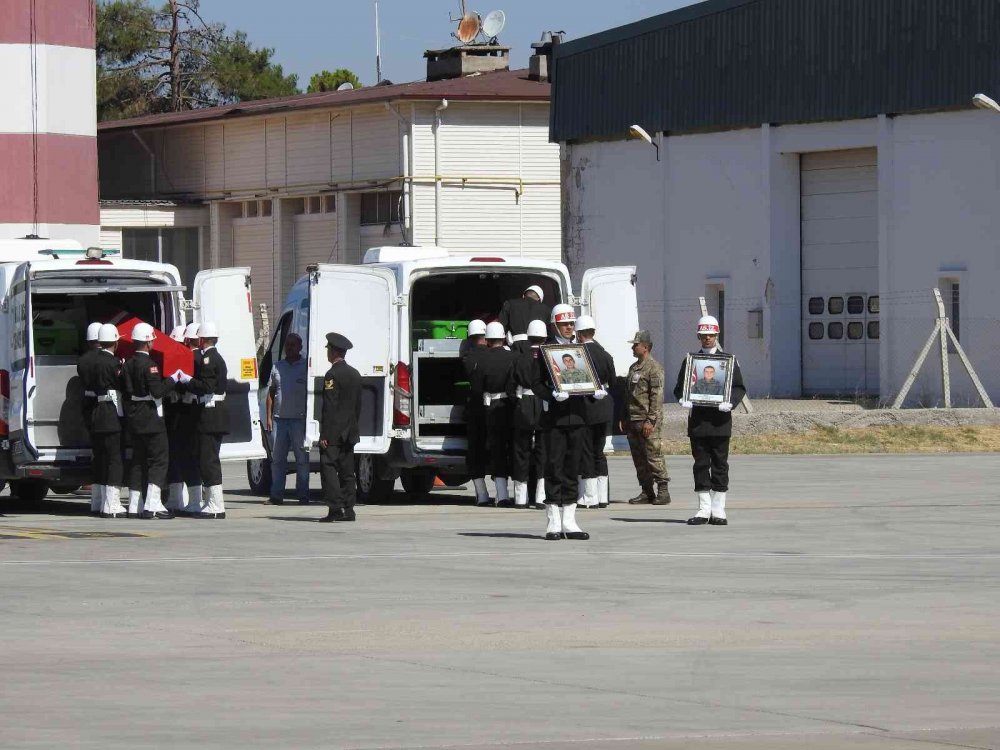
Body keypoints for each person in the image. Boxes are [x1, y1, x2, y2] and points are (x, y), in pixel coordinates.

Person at [674, 315, 746, 526]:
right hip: (698, 422)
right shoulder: (690, 361)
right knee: (700, 464)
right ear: (698, 336)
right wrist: (683, 399)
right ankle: (704, 509)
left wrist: (730, 403)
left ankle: (718, 509)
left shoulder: (728, 361)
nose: (707, 338)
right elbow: (679, 387)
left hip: (720, 422)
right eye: (704, 335)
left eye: (711, 335)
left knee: (720, 464)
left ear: (717, 335)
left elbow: (739, 387)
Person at [532, 305, 590, 541]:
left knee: (573, 467)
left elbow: (589, 376)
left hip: (577, 416)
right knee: (554, 466)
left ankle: (570, 520)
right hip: (554, 418)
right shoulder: (545, 350)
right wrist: (551, 395)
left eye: (571, 323)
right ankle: (553, 521)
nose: (569, 327)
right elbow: (536, 383)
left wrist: (595, 390)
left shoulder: (580, 350)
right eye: (564, 324)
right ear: (554, 325)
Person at [122, 322, 178, 519]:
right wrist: (173, 380)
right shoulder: (150, 365)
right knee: (159, 460)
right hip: (151, 418)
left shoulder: (127, 364)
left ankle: (134, 505)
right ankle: (153, 504)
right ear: (148, 343)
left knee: (137, 460)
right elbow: (157, 392)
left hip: (135, 417)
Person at [78, 324, 127, 518]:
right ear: (115, 342)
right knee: (114, 459)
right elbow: (122, 385)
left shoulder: (86, 361)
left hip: (95, 412)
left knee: (99, 458)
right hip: (110, 413)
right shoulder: (114, 363)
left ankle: (97, 501)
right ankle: (112, 504)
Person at [181, 321, 229, 519]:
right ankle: (212, 503)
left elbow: (207, 387)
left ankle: (216, 505)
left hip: (210, 416)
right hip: (213, 415)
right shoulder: (215, 357)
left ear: (201, 339)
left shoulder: (209, 359)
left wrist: (188, 381)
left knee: (208, 461)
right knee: (208, 459)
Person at [470, 321, 517, 507]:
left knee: (494, 449)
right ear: (503, 338)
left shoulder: (481, 359)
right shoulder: (513, 357)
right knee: (509, 448)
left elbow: (476, 388)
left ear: (488, 340)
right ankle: (510, 495)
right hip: (510, 406)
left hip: (489, 406)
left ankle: (496, 495)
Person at [318, 332, 362, 523]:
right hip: (350, 430)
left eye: (328, 349)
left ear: (334, 352)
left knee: (328, 467)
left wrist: (325, 434)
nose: (327, 353)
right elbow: (358, 406)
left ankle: (335, 508)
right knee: (347, 472)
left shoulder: (332, 375)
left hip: (334, 433)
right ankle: (349, 509)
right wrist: (352, 426)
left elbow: (330, 407)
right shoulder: (355, 374)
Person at [623, 330, 671, 505]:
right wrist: (624, 417)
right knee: (639, 458)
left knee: (653, 456)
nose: (633, 348)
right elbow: (628, 395)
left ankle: (663, 491)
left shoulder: (654, 368)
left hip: (647, 420)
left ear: (646, 347)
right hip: (633, 419)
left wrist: (651, 420)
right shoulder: (633, 368)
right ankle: (647, 491)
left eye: (636, 345)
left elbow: (656, 397)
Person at [574, 315, 615, 509]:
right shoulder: (605, 354)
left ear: (579, 334)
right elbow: (613, 382)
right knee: (599, 451)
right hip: (603, 406)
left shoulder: (578, 354)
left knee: (587, 451)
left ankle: (589, 497)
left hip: (585, 406)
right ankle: (602, 496)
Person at [266, 333, 310, 506]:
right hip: (279, 421)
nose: (289, 348)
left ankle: (303, 495)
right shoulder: (277, 367)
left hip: (299, 420)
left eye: (293, 345)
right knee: (278, 460)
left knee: (302, 460)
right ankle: (276, 496)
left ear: (300, 347)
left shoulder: (306, 367)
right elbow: (271, 393)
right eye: (287, 345)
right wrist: (269, 417)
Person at [510, 319, 547, 509]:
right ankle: (541, 497)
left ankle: (520, 498)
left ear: (528, 337)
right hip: (543, 403)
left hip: (523, 403)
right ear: (545, 337)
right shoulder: (549, 357)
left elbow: (511, 385)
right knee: (543, 450)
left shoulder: (519, 358)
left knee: (521, 450)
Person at [173, 322, 203, 514]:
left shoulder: (190, 359)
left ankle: (191, 501)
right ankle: (193, 500)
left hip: (187, 412)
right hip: (196, 412)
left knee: (187, 456)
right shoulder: (204, 358)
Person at [462, 319, 492, 506]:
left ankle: (482, 494)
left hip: (475, 406)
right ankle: (504, 495)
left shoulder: (468, 357)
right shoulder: (495, 354)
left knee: (475, 449)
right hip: (495, 407)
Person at [164, 325, 191, 514]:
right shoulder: (175, 359)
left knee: (182, 455)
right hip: (176, 414)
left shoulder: (189, 359)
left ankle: (184, 497)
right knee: (175, 456)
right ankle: (177, 497)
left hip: (183, 414)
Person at [79, 321, 103, 514]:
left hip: (88, 406)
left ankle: (96, 497)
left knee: (96, 446)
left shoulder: (83, 360)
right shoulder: (108, 359)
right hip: (105, 407)